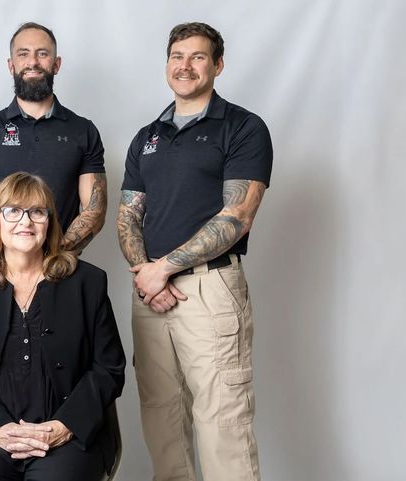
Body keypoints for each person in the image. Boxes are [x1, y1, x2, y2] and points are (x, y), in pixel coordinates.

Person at [117, 22, 273, 481]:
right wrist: (146, 273)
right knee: (161, 419)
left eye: (198, 57)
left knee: (223, 423)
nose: (185, 66)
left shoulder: (243, 127)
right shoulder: (147, 136)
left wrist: (163, 268)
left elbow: (237, 216)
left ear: (217, 65)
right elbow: (128, 215)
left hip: (210, 288)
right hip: (150, 294)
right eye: (177, 56)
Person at [0, 172, 125, 481]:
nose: (25, 222)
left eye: (37, 211)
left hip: (67, 434)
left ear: (49, 222)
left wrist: (64, 426)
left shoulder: (87, 282)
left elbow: (109, 367)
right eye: (13, 211)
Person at [0, 22, 107, 253]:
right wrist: (16, 252)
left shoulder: (83, 131)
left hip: (62, 261)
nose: (32, 62)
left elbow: (94, 209)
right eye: (23, 54)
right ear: (11, 65)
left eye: (42, 53)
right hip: (3, 262)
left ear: (56, 64)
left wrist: (58, 251)